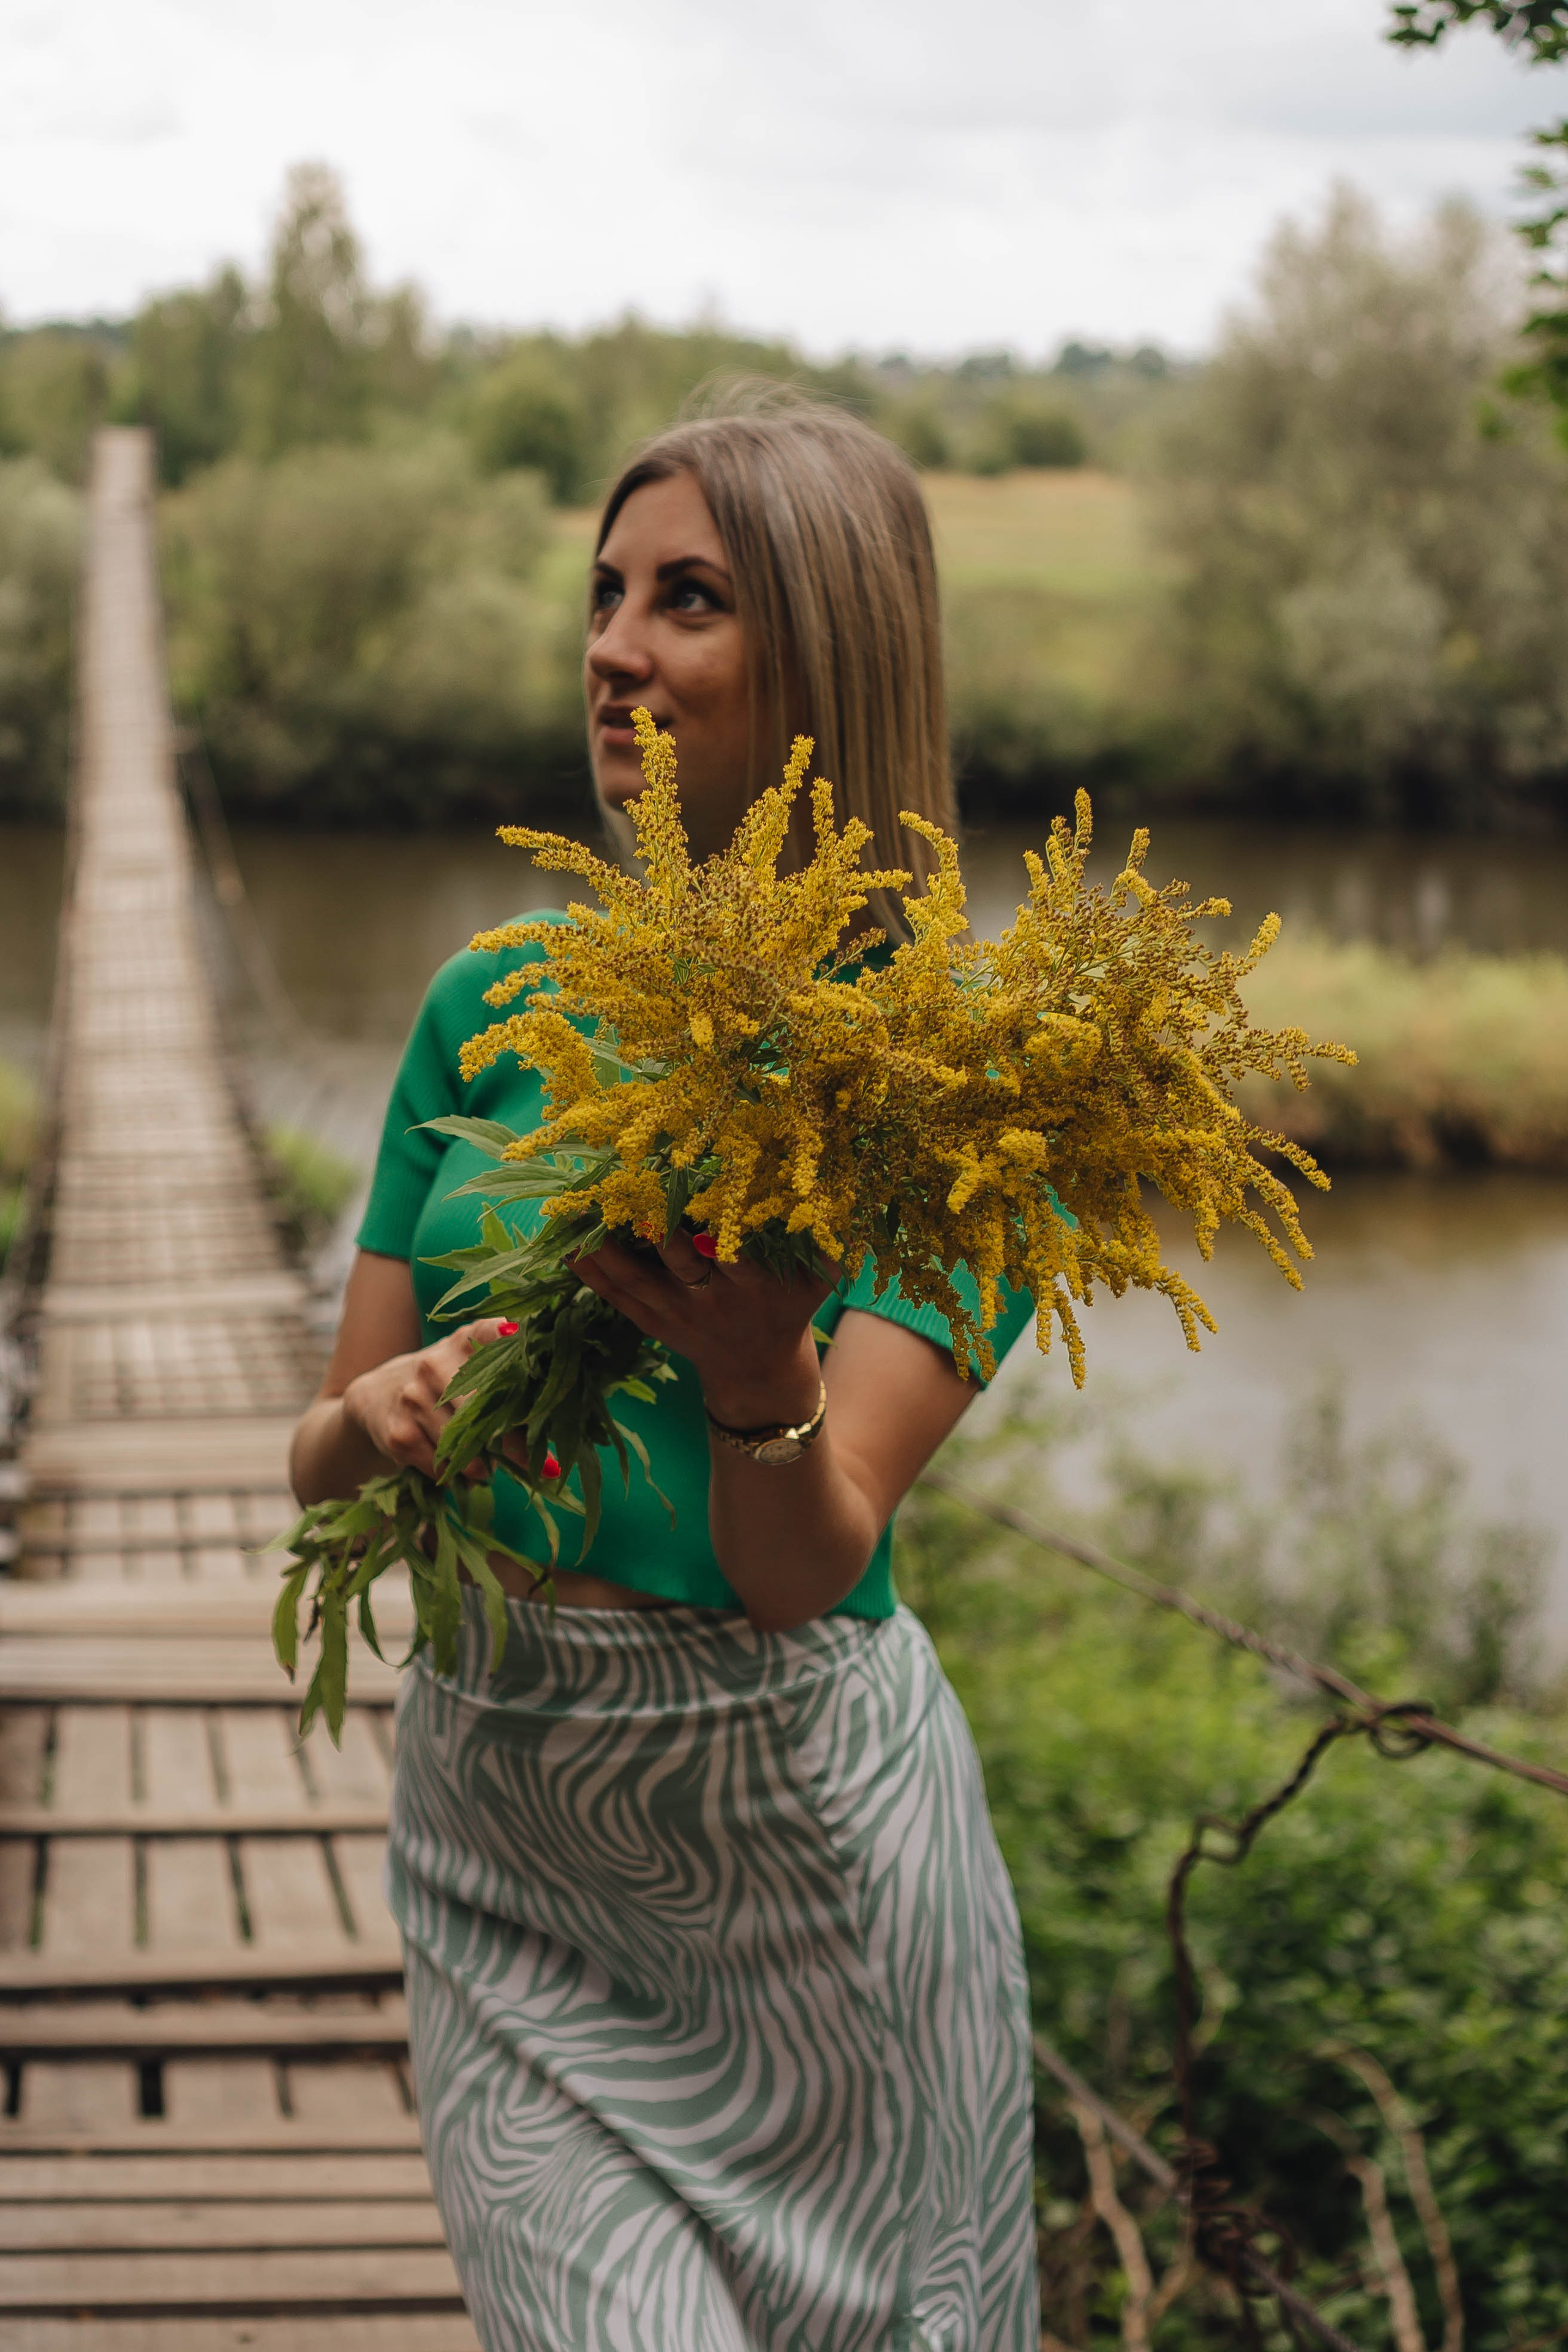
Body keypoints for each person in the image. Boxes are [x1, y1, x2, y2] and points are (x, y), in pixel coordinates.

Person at [290, 393, 1041, 2352]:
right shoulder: (486, 1005)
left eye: (688, 600)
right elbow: (324, 1453)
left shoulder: (968, 1096)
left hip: (800, 1867)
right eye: (607, 594)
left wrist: (753, 1371)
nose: (615, 649)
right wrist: (372, 1427)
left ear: (827, 654)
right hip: (504, 1844)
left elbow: (808, 1561)